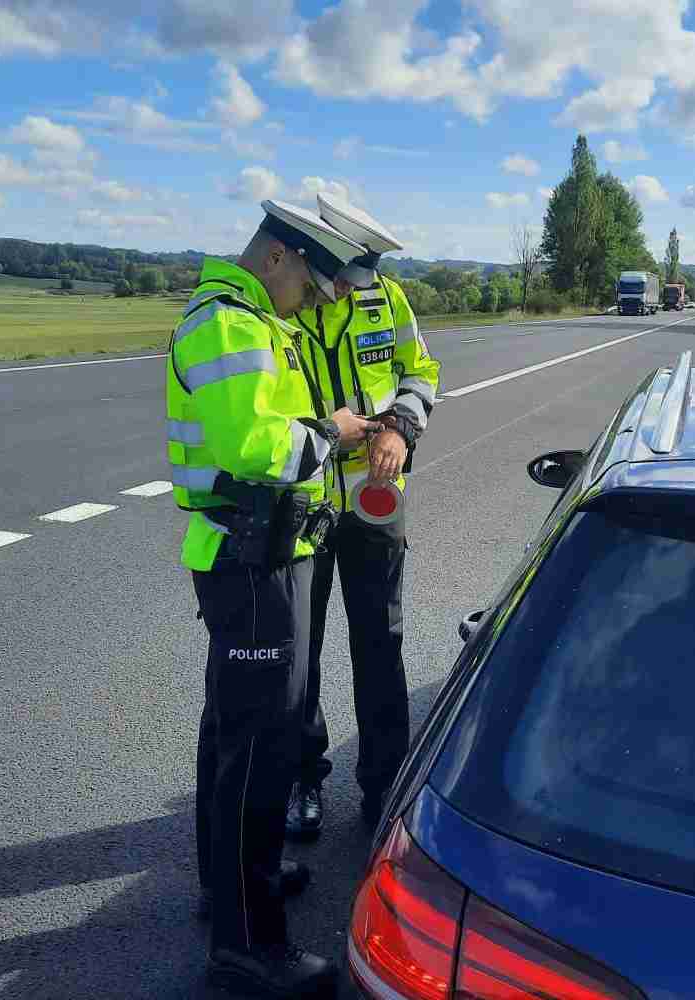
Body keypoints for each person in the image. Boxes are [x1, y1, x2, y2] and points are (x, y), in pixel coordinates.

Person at [173, 199, 381, 997]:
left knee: (238, 734)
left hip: (263, 556)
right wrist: (331, 433)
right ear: (278, 258)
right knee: (257, 752)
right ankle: (249, 946)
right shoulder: (229, 323)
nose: (318, 301)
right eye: (314, 283)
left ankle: (229, 888)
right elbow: (254, 445)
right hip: (251, 560)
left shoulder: (259, 320)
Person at [285, 194, 441, 839]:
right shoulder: (285, 309)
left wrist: (402, 425)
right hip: (303, 503)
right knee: (301, 649)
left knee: (381, 641)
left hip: (376, 501)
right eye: (348, 274)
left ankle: (384, 786)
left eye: (365, 275)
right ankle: (302, 777)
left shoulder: (387, 299)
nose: (355, 287)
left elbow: (421, 370)